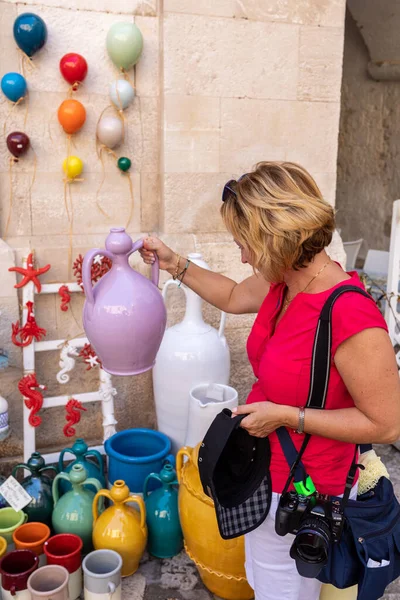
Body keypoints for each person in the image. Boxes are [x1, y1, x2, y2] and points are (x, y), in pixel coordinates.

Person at [139, 161, 400, 600]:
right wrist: (174, 263)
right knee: (266, 580)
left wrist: (287, 416)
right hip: (267, 474)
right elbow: (233, 295)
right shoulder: (284, 281)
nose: (243, 257)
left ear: (277, 239)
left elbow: (388, 424)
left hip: (306, 488)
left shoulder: (349, 314)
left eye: (246, 245)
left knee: (280, 589)